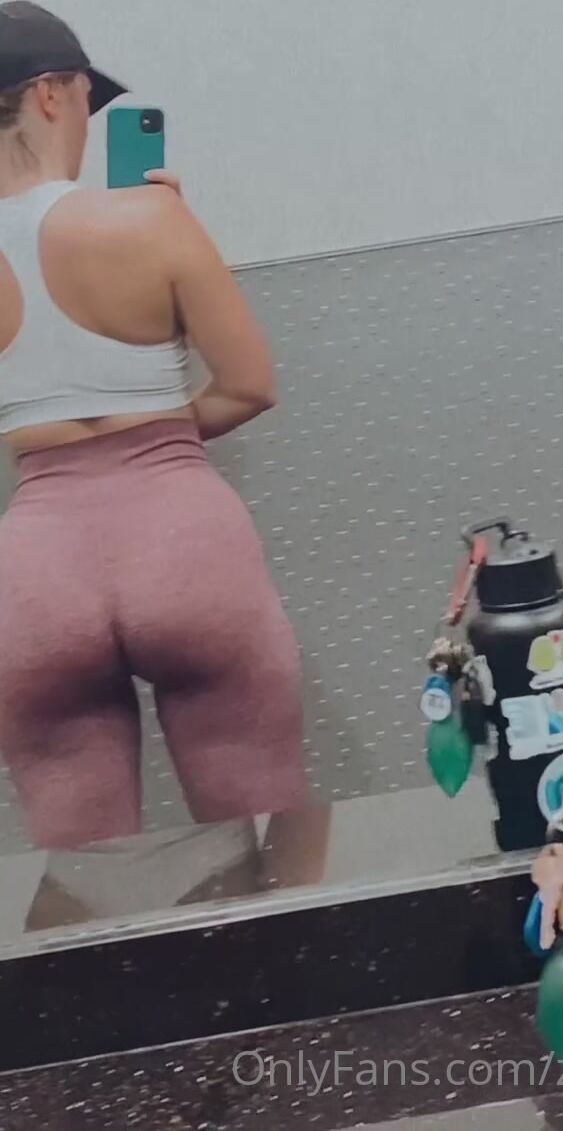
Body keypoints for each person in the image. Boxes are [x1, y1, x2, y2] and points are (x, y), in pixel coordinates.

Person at [0, 2, 307, 849]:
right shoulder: (150, 218)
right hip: (182, 536)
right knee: (267, 844)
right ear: (52, 95)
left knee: (86, 873)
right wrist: (156, 438)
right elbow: (248, 386)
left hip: (36, 568)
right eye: (87, 103)